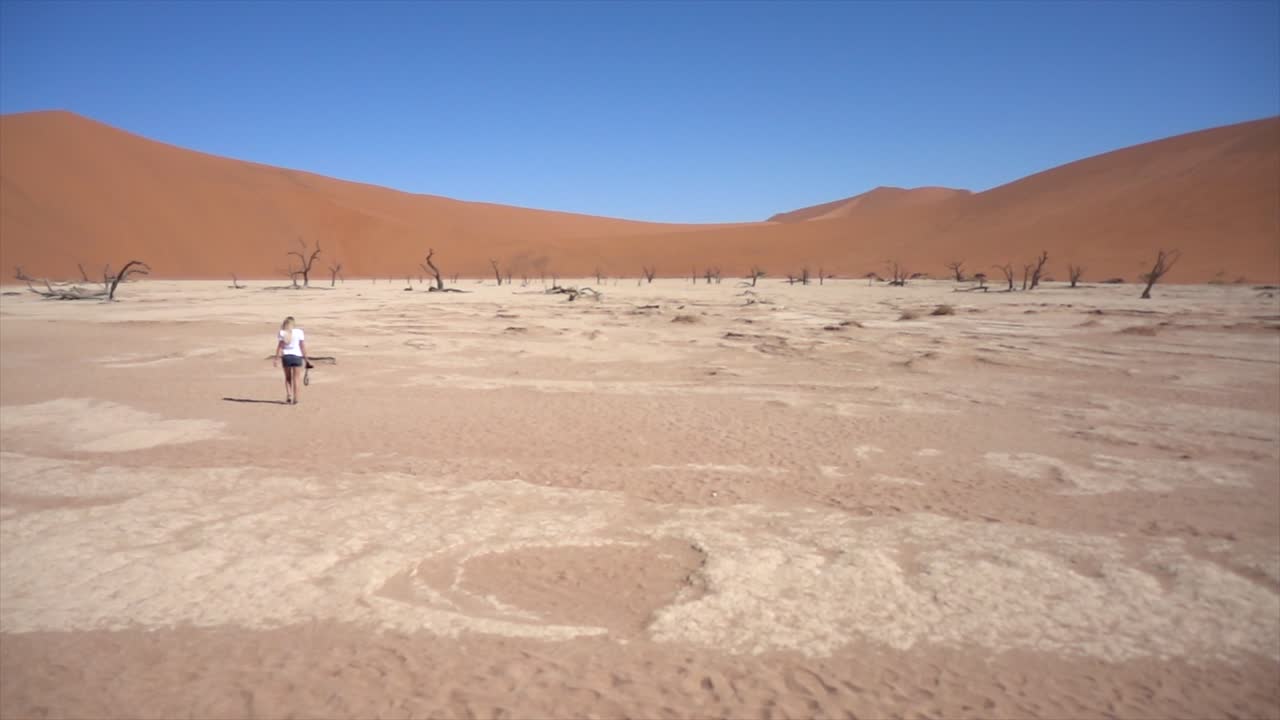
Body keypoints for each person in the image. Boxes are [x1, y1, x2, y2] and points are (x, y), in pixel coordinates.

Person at [273, 316, 308, 405]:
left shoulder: (282, 333)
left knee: (288, 378)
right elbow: (302, 346)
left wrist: (276, 358)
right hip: (297, 357)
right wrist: (306, 358)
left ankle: (289, 395)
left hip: (286, 357)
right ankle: (296, 398)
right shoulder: (299, 332)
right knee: (296, 379)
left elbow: (280, 347)